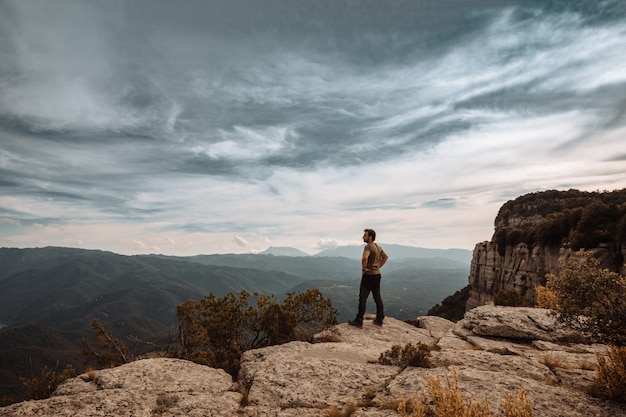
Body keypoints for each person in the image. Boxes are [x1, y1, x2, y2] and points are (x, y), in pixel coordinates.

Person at [348, 228, 388, 328]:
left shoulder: (368, 247)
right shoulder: (378, 247)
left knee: (362, 298)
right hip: (377, 275)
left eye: (365, 235)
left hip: (369, 275)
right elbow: (385, 257)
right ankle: (379, 320)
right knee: (377, 298)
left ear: (370, 237)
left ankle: (359, 321)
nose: (363, 237)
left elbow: (365, 258)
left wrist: (363, 269)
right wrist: (378, 266)